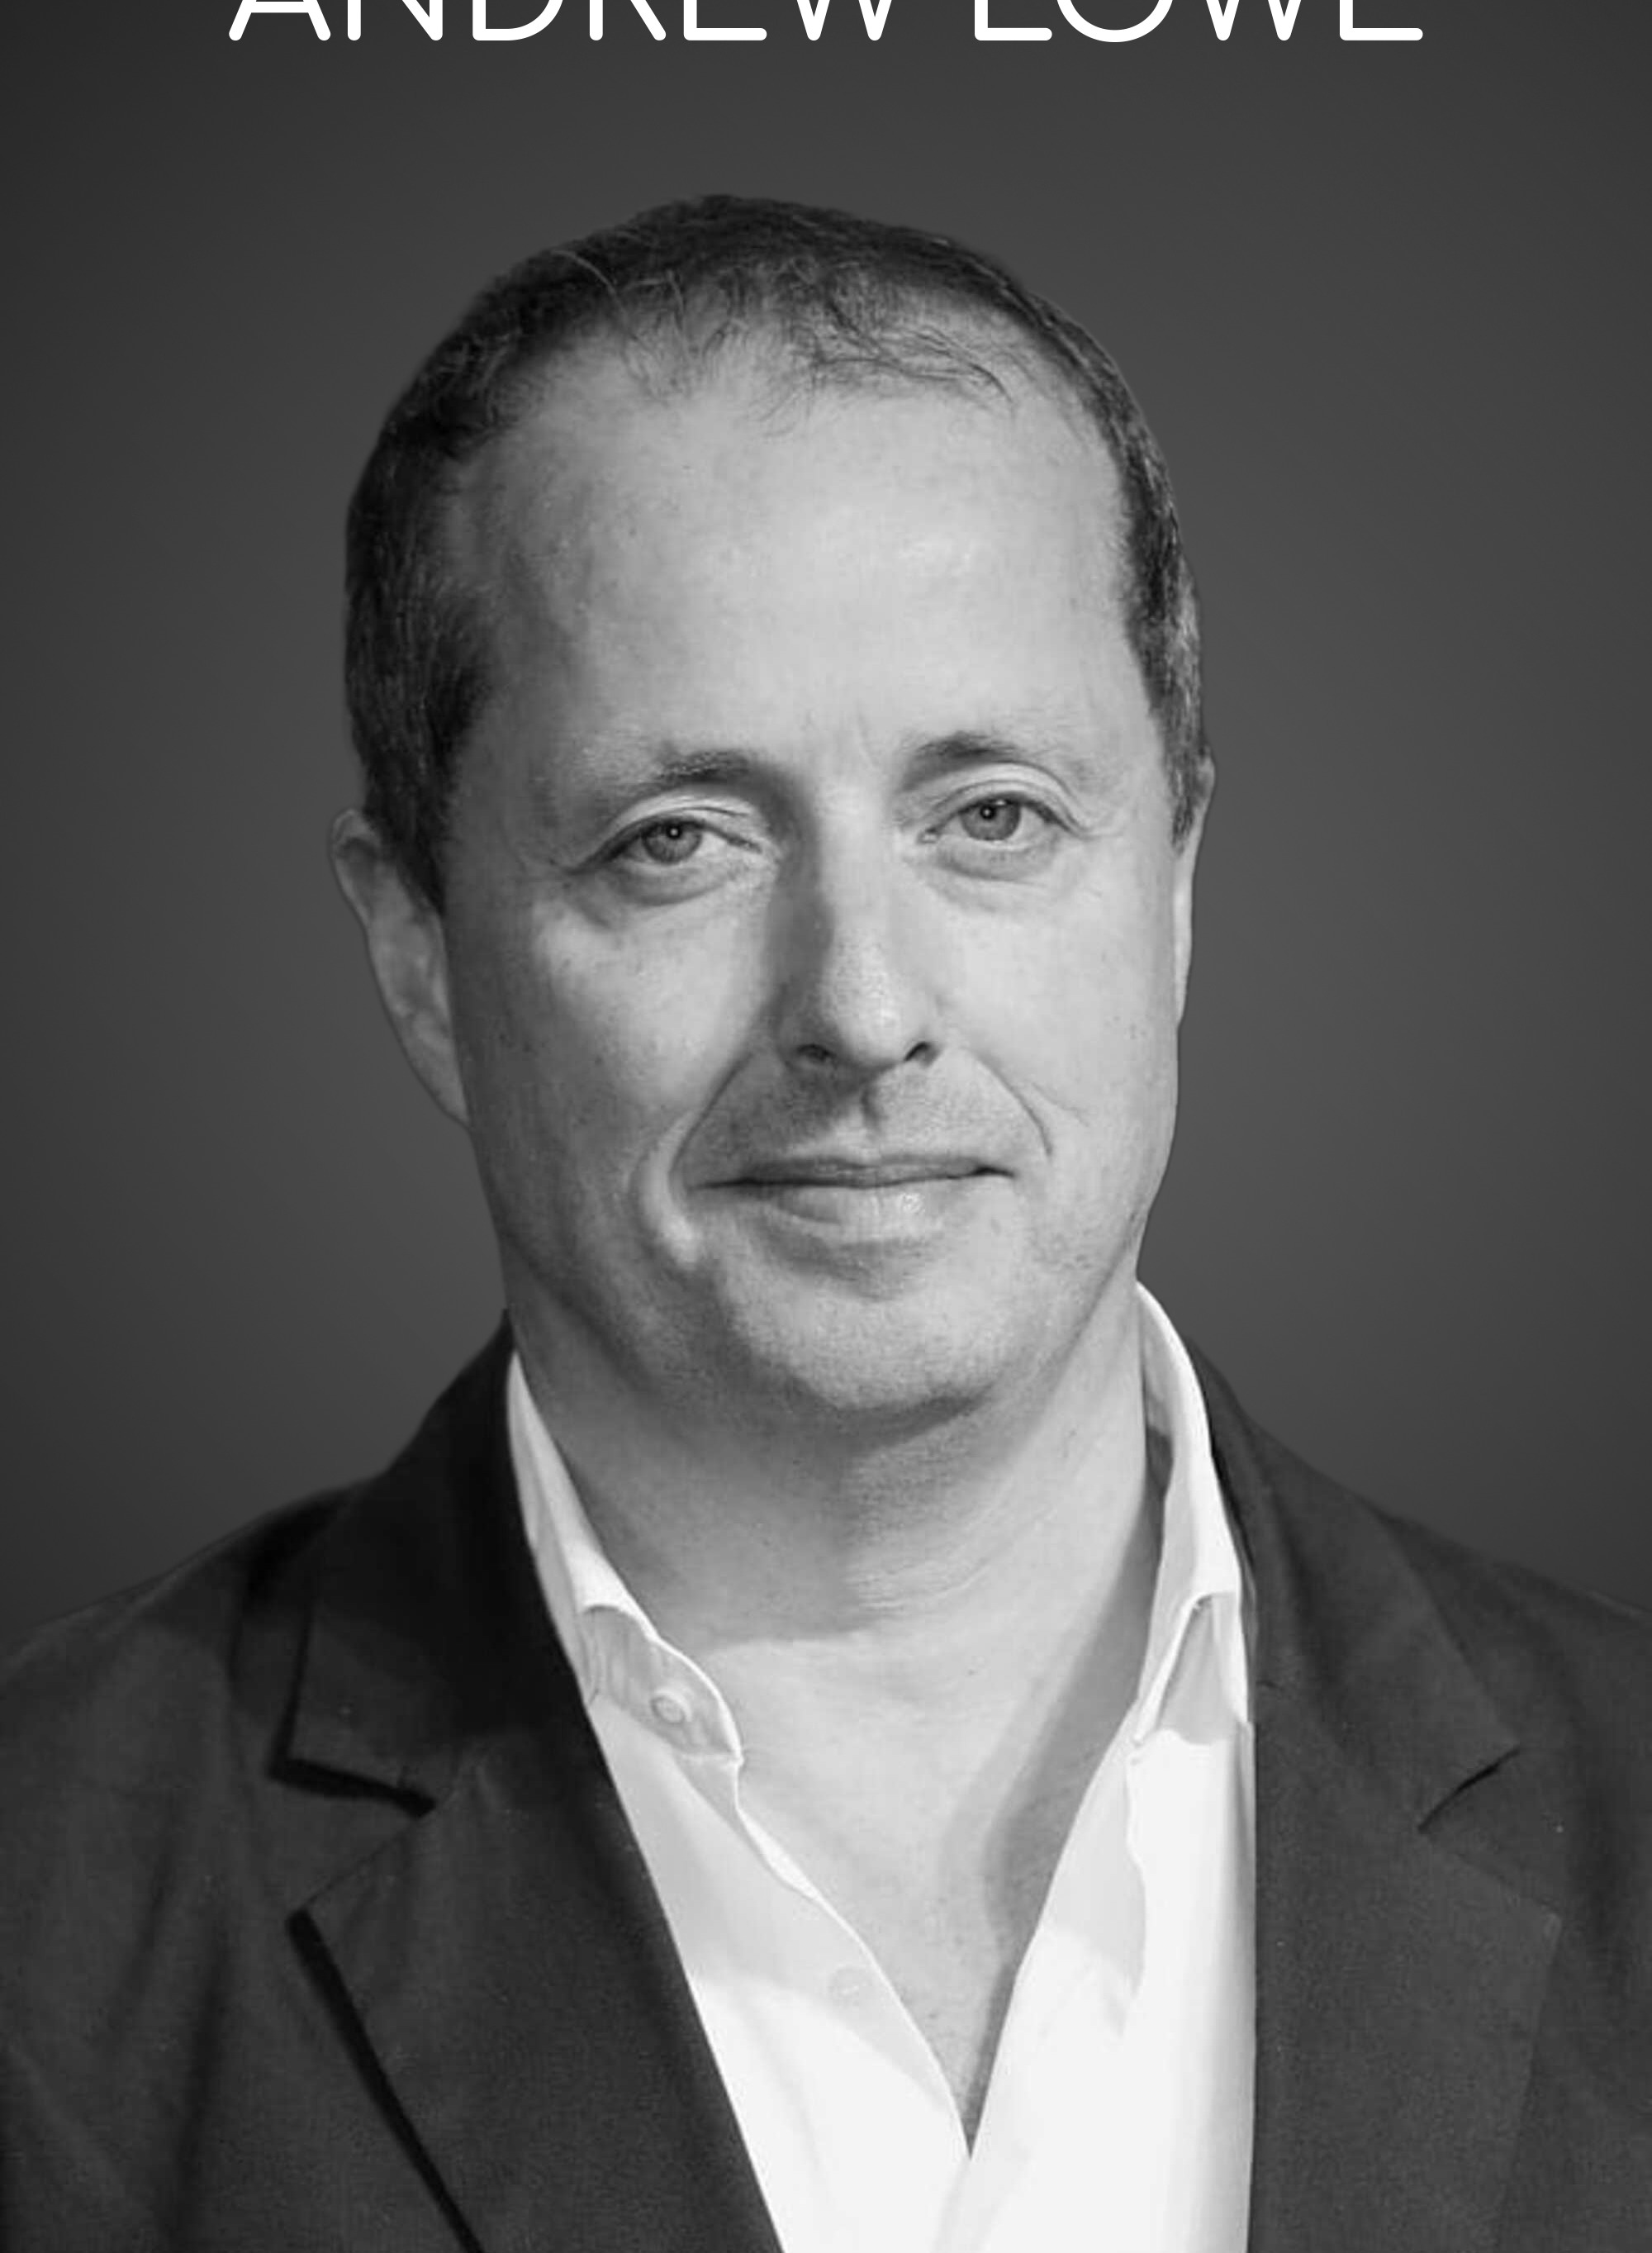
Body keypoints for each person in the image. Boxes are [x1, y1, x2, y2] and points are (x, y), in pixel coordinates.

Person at [1, 198, 1646, 2253]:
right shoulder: (47, 1923)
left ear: (1176, 889)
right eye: (676, 841)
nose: (862, 1008)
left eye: (992, 818)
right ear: (419, 957)